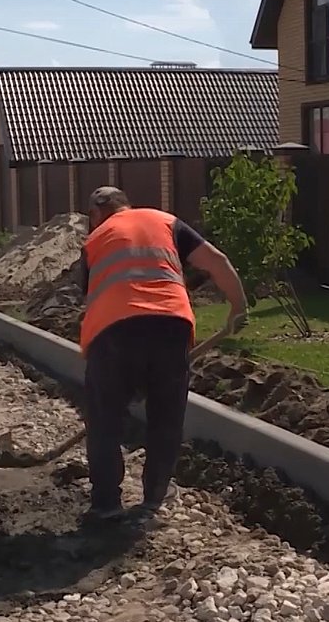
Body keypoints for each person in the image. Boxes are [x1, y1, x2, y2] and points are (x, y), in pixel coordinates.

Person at [76, 186, 247, 521]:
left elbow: (90, 296)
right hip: (171, 326)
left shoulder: (94, 241)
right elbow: (217, 261)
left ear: (98, 212)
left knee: (105, 419)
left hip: (113, 331)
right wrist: (238, 307)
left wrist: (123, 371)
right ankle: (155, 496)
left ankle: (106, 503)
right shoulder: (166, 222)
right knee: (166, 415)